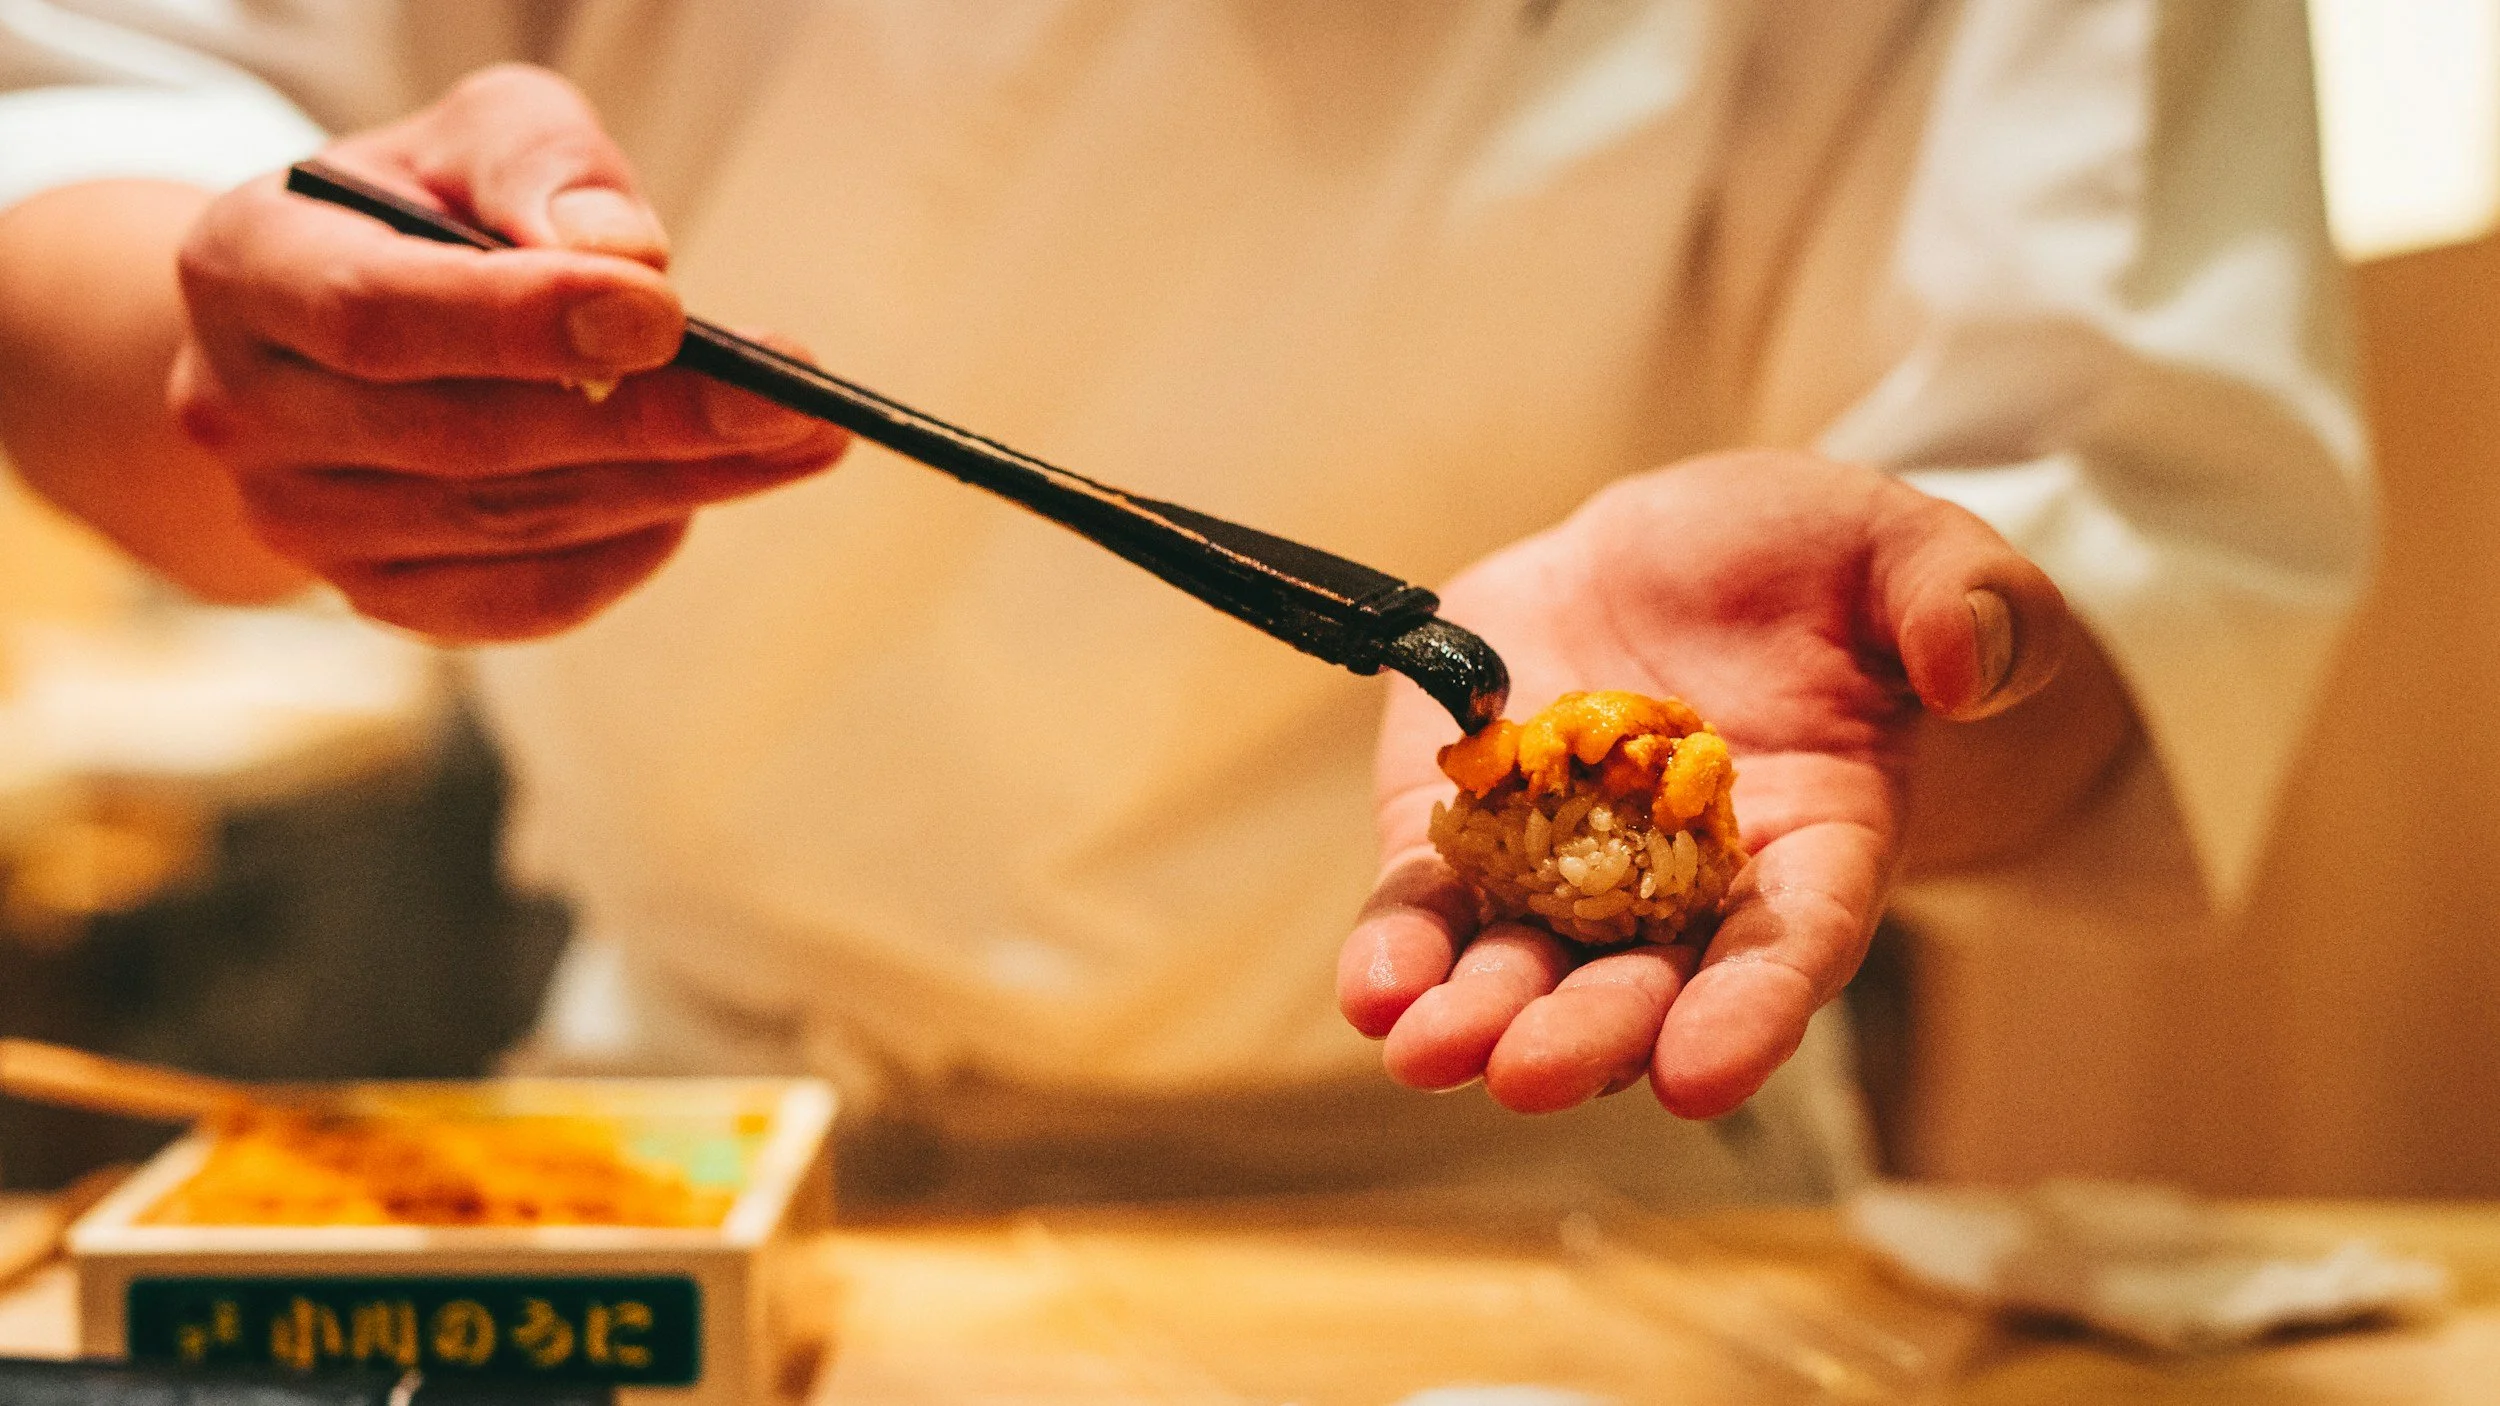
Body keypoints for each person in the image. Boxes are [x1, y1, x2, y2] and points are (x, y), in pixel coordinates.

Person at [0, 2, 2367, 1207]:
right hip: (699, 1129)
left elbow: (2113, 520)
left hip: (1546, 1206)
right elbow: (99, 124)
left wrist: (1898, 658)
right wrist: (267, 370)